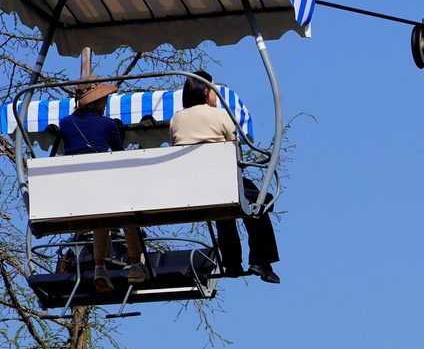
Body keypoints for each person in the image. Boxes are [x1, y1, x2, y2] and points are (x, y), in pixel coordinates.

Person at [170, 70, 281, 284]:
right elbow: (234, 148)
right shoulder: (220, 115)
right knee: (257, 203)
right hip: (222, 180)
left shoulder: (176, 119)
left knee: (224, 209)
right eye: (214, 90)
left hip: (192, 188)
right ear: (206, 91)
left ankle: (231, 262)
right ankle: (261, 260)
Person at [58, 75, 146, 292]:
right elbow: (120, 156)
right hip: (102, 184)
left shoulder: (65, 123)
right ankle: (135, 265)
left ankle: (99, 268)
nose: (105, 104)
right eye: (103, 100)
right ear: (95, 102)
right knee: (127, 214)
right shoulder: (107, 125)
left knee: (101, 217)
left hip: (76, 189)